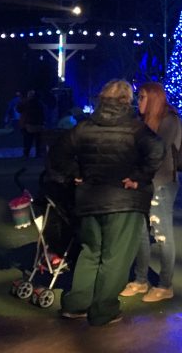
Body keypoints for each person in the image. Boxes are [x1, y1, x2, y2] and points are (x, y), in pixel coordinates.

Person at [54, 79, 163, 326]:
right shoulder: (136, 129)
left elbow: (57, 153)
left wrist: (75, 173)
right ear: (127, 100)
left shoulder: (83, 128)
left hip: (89, 199)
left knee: (90, 252)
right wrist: (138, 177)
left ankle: (76, 303)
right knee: (115, 257)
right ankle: (103, 310)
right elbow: (157, 150)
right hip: (124, 201)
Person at [122, 82, 182, 303]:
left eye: (142, 97)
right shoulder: (144, 122)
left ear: (155, 99)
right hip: (142, 183)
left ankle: (165, 285)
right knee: (140, 232)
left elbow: (158, 152)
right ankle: (140, 280)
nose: (138, 101)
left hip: (162, 183)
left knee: (163, 234)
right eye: (138, 97)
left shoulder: (169, 120)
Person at [18, 90, 46, 159]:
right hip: (38, 124)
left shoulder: (26, 103)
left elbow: (19, 109)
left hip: (28, 124)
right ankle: (38, 154)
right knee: (38, 141)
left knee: (27, 140)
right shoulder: (40, 103)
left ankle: (26, 154)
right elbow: (43, 112)